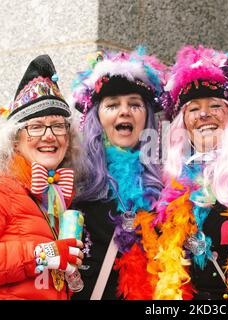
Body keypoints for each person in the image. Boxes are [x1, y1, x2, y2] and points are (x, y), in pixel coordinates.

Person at [153, 45, 228, 300]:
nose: (204, 114)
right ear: (182, 122)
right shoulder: (172, 181)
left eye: (215, 105)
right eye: (193, 108)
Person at [0, 55, 84, 299]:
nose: (49, 135)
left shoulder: (51, 198)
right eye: (36, 126)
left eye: (58, 125)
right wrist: (44, 255)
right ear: (15, 138)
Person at [70, 48, 166, 299]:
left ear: (147, 118)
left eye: (134, 104)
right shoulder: (76, 179)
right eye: (112, 105)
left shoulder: (167, 185)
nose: (125, 111)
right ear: (97, 118)